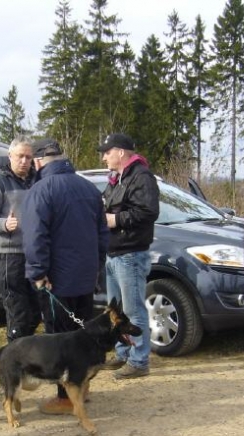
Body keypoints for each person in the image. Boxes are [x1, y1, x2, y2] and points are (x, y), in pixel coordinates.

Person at [20, 138, 109, 415]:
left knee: (60, 340)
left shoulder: (40, 190)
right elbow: (102, 235)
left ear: (37, 162)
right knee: (82, 336)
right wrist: (97, 266)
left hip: (56, 279)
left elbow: (35, 237)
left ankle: (65, 397)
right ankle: (81, 389)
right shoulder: (88, 188)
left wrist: (37, 272)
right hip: (85, 275)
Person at [97, 133, 159, 379]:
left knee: (134, 312)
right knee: (117, 312)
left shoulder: (142, 177)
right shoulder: (116, 179)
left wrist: (116, 219)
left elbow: (148, 211)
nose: (104, 157)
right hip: (114, 254)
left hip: (130, 254)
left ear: (120, 152)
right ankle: (123, 354)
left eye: (107, 152)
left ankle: (139, 360)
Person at [0, 136, 41, 343]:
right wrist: (4, 224)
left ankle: (26, 356)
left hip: (35, 253)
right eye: (20, 156)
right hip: (10, 254)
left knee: (35, 311)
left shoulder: (37, 179)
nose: (24, 161)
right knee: (17, 312)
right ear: (10, 156)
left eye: (28, 157)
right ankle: (14, 362)